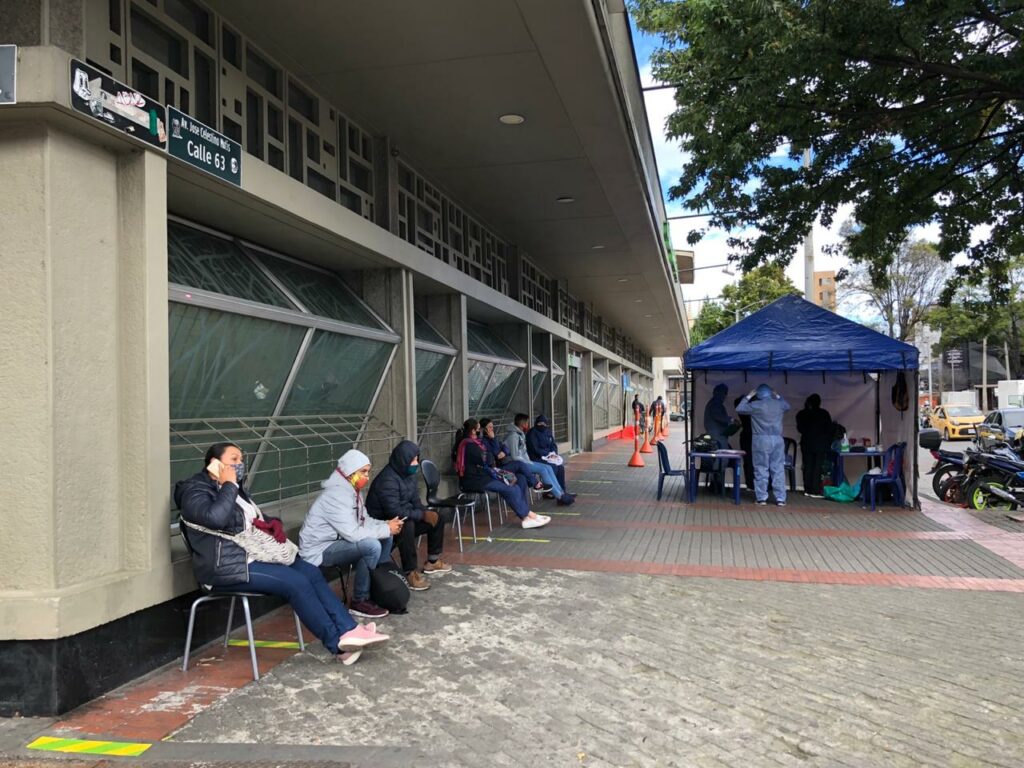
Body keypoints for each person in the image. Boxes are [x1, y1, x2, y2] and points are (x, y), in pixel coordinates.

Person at [175, 442, 388, 664]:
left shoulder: (234, 489)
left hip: (255, 556)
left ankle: (350, 629)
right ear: (215, 464)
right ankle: (338, 645)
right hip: (225, 568)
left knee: (310, 572)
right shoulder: (194, 491)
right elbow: (216, 518)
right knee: (296, 583)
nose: (240, 464)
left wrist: (271, 524)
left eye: (241, 459)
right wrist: (229, 485)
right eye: (234, 459)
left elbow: (250, 519)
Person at [299, 449, 400, 619]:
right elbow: (352, 533)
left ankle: (380, 587)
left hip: (337, 541)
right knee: (371, 545)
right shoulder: (335, 496)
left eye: (368, 472)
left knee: (385, 537)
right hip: (320, 549)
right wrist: (384, 528)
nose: (367, 476)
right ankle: (360, 601)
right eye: (363, 472)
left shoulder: (352, 492)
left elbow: (364, 520)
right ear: (350, 472)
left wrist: (385, 525)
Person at [366, 440, 451, 592]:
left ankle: (432, 561)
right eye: (413, 459)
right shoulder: (387, 480)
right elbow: (395, 512)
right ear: (402, 460)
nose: (416, 462)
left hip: (404, 517)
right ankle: (410, 573)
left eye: (417, 458)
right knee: (407, 525)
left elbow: (415, 501)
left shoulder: (407, 475)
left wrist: (425, 512)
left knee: (437, 518)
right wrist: (421, 515)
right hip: (382, 523)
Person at [456, 418, 550, 529]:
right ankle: (527, 516)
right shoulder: (469, 445)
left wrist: (497, 450)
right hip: (475, 480)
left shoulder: (475, 443)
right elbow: (489, 460)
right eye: (478, 429)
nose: (479, 431)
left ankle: (527, 515)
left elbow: (498, 452)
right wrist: (493, 449)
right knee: (510, 488)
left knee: (516, 483)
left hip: (484, 476)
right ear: (472, 431)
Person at [736, 384, 791, 506]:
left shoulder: (756, 405)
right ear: (769, 393)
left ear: (758, 394)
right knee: (778, 469)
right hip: (777, 440)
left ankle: (761, 498)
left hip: (760, 440)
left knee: (761, 468)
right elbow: (788, 406)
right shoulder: (779, 404)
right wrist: (777, 394)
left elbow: (739, 408)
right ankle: (780, 498)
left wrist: (749, 395)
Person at [505, 413, 576, 506]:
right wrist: (528, 462)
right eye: (527, 422)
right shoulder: (513, 436)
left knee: (548, 468)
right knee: (543, 469)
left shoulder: (520, 434)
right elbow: (515, 456)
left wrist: (551, 454)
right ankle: (559, 496)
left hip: (525, 462)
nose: (528, 424)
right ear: (523, 424)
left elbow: (524, 452)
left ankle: (562, 492)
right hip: (518, 464)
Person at [478, 417, 542, 492]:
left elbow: (505, 447)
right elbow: (496, 453)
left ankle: (521, 503)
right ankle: (536, 483)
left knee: (521, 478)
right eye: (489, 427)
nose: (492, 429)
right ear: (484, 429)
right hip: (496, 470)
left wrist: (504, 452)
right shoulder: (483, 441)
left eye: (492, 426)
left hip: (503, 465)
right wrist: (493, 439)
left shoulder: (493, 438)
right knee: (519, 464)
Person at [796, 394, 833, 499]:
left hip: (807, 443)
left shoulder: (801, 414)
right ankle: (815, 490)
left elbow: (800, 429)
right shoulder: (824, 414)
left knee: (807, 466)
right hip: (821, 444)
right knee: (817, 467)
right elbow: (829, 429)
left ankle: (807, 489)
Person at [525, 414, 569, 495]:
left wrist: (553, 453)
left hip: (549, 457)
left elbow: (553, 444)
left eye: (544, 424)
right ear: (536, 423)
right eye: (540, 424)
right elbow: (535, 449)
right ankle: (549, 492)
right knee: (552, 467)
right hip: (537, 458)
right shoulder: (532, 433)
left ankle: (562, 490)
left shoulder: (548, 432)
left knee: (560, 467)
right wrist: (547, 454)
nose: (542, 426)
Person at [703, 384, 734, 492]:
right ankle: (717, 484)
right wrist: (731, 420)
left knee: (719, 459)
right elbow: (718, 417)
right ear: (721, 393)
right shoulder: (716, 404)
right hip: (717, 436)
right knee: (721, 459)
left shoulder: (713, 403)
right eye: (725, 393)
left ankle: (716, 483)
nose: (725, 396)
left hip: (717, 435)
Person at [734, 396, 754, 490]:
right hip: (752, 436)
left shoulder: (742, 411)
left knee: (747, 461)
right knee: (754, 461)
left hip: (745, 436)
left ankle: (749, 483)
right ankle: (753, 484)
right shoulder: (750, 411)